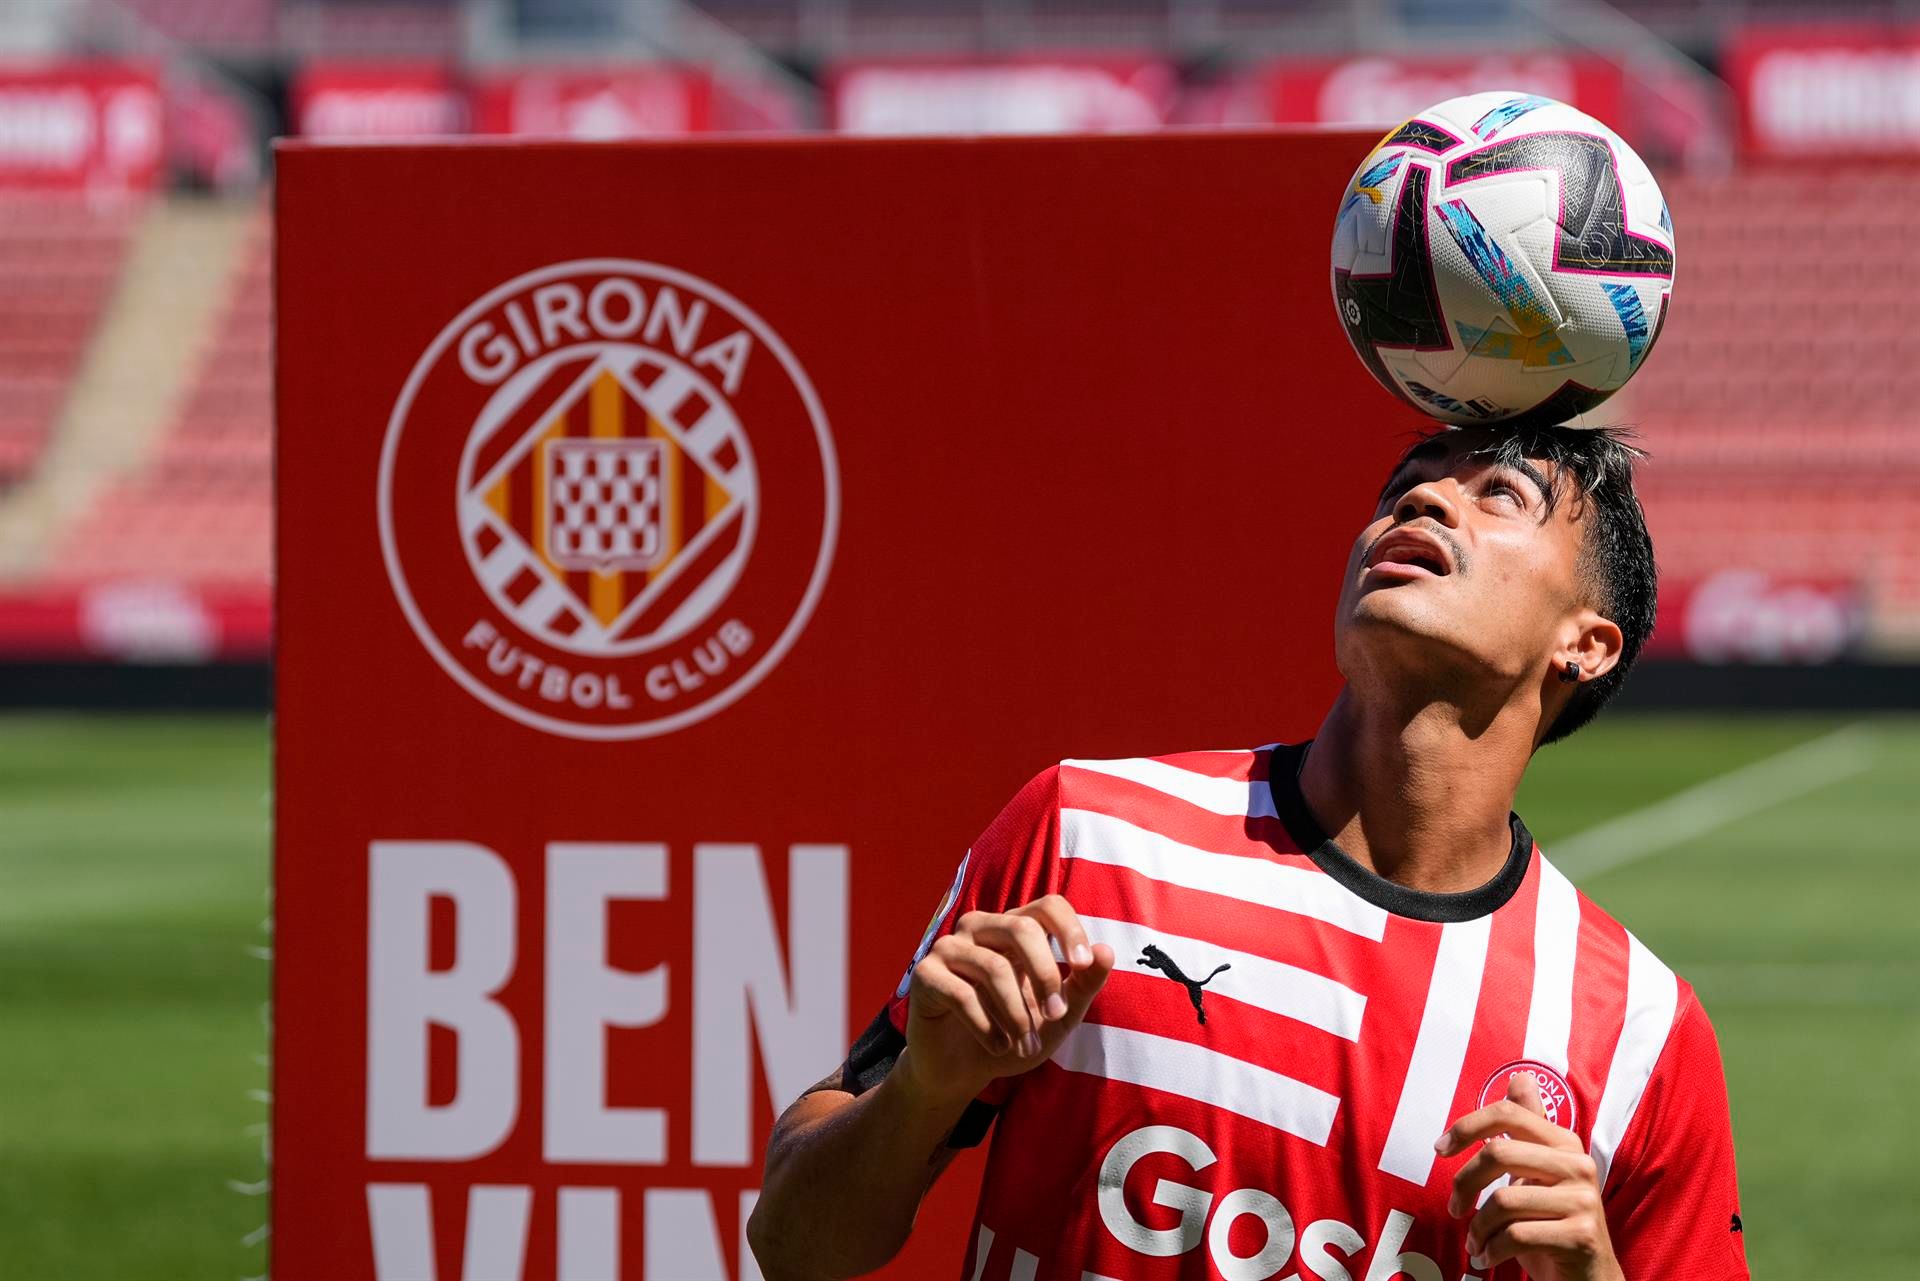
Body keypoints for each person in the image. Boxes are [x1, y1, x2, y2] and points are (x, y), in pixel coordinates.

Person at [747, 423, 1747, 1281]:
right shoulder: (1088, 835)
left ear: (1589, 643)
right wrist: (926, 1088)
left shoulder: (1642, 1035)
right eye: (1409, 484)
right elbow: (795, 1242)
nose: (1430, 496)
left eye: (1498, 494)